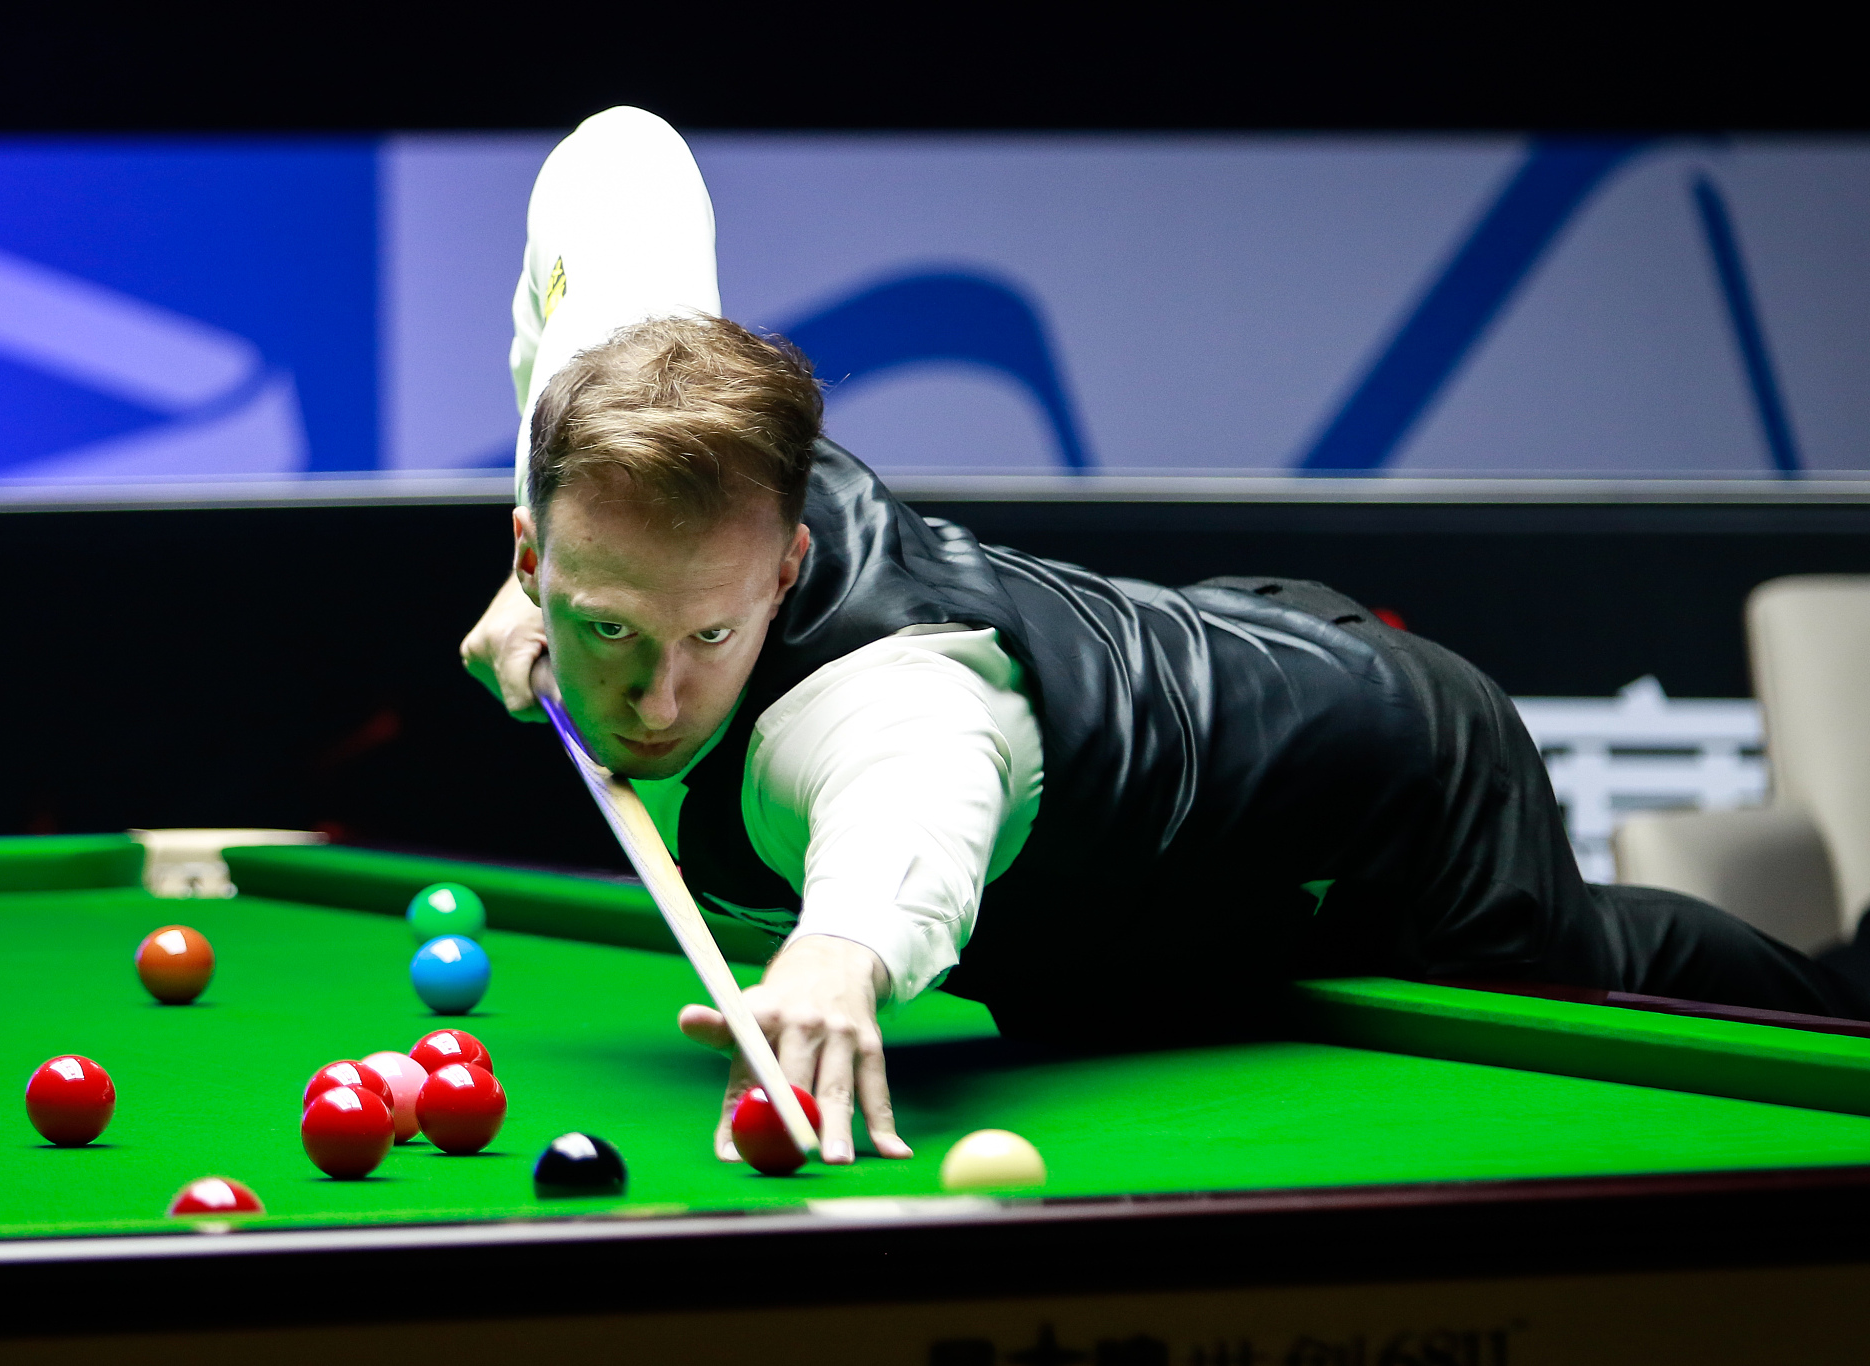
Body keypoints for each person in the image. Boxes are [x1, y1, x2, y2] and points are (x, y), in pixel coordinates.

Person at [461, 106, 1870, 1168]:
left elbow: (917, 798)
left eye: (711, 628)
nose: (654, 694)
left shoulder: (886, 697)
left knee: (1582, 981)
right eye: (605, 623)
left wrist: (845, 950)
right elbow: (623, 156)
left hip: (1379, 775)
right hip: (1201, 711)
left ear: (792, 558)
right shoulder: (622, 414)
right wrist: (550, 601)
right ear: (539, 533)